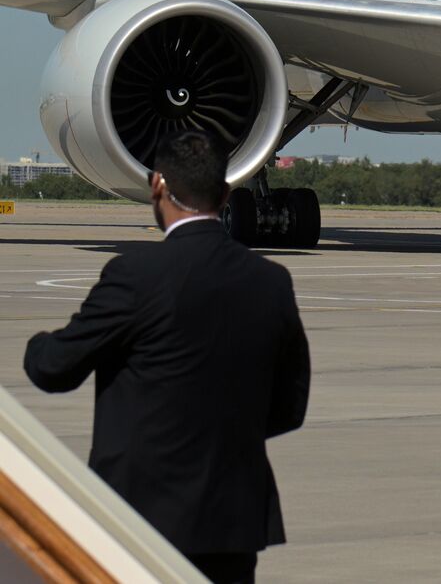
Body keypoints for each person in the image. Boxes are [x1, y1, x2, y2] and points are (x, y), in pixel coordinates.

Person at [24, 130, 310, 584]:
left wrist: (36, 343)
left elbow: (52, 369)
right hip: (231, 522)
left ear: (158, 185)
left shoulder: (135, 275)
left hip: (139, 518)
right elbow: (290, 407)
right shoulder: (270, 281)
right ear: (226, 192)